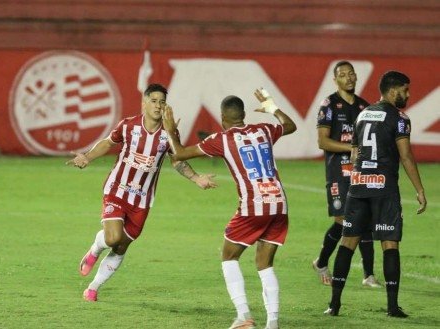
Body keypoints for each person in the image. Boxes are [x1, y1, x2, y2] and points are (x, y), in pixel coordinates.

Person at [67, 83, 217, 302]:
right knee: (113, 237)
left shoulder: (169, 134)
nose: (158, 106)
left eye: (162, 102)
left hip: (142, 199)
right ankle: (94, 249)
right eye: (154, 101)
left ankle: (93, 287)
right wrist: (87, 157)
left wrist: (196, 178)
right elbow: (108, 143)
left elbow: (177, 161)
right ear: (144, 103)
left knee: (121, 245)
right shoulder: (128, 126)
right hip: (117, 189)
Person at [162, 89, 296, 329]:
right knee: (265, 264)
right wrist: (272, 107)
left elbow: (180, 154)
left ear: (223, 118)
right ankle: (272, 322)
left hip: (253, 205)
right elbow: (290, 125)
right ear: (244, 114)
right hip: (279, 202)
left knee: (228, 256)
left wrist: (170, 130)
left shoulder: (222, 139)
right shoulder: (264, 129)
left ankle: (244, 316)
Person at [325, 71, 427, 317]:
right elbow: (405, 155)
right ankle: (392, 307)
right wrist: (420, 189)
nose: (408, 95)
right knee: (389, 243)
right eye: (405, 90)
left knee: (348, 243)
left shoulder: (363, 114)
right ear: (393, 91)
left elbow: (354, 153)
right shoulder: (400, 118)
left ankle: (334, 305)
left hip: (358, 186)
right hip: (384, 188)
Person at [313, 61, 381, 287]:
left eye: (351, 74)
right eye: (343, 74)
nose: (349, 78)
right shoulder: (329, 105)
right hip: (338, 172)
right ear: (335, 80)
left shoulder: (365, 107)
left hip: (361, 172)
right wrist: (351, 149)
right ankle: (321, 262)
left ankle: (368, 274)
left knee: (367, 218)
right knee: (342, 221)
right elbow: (322, 141)